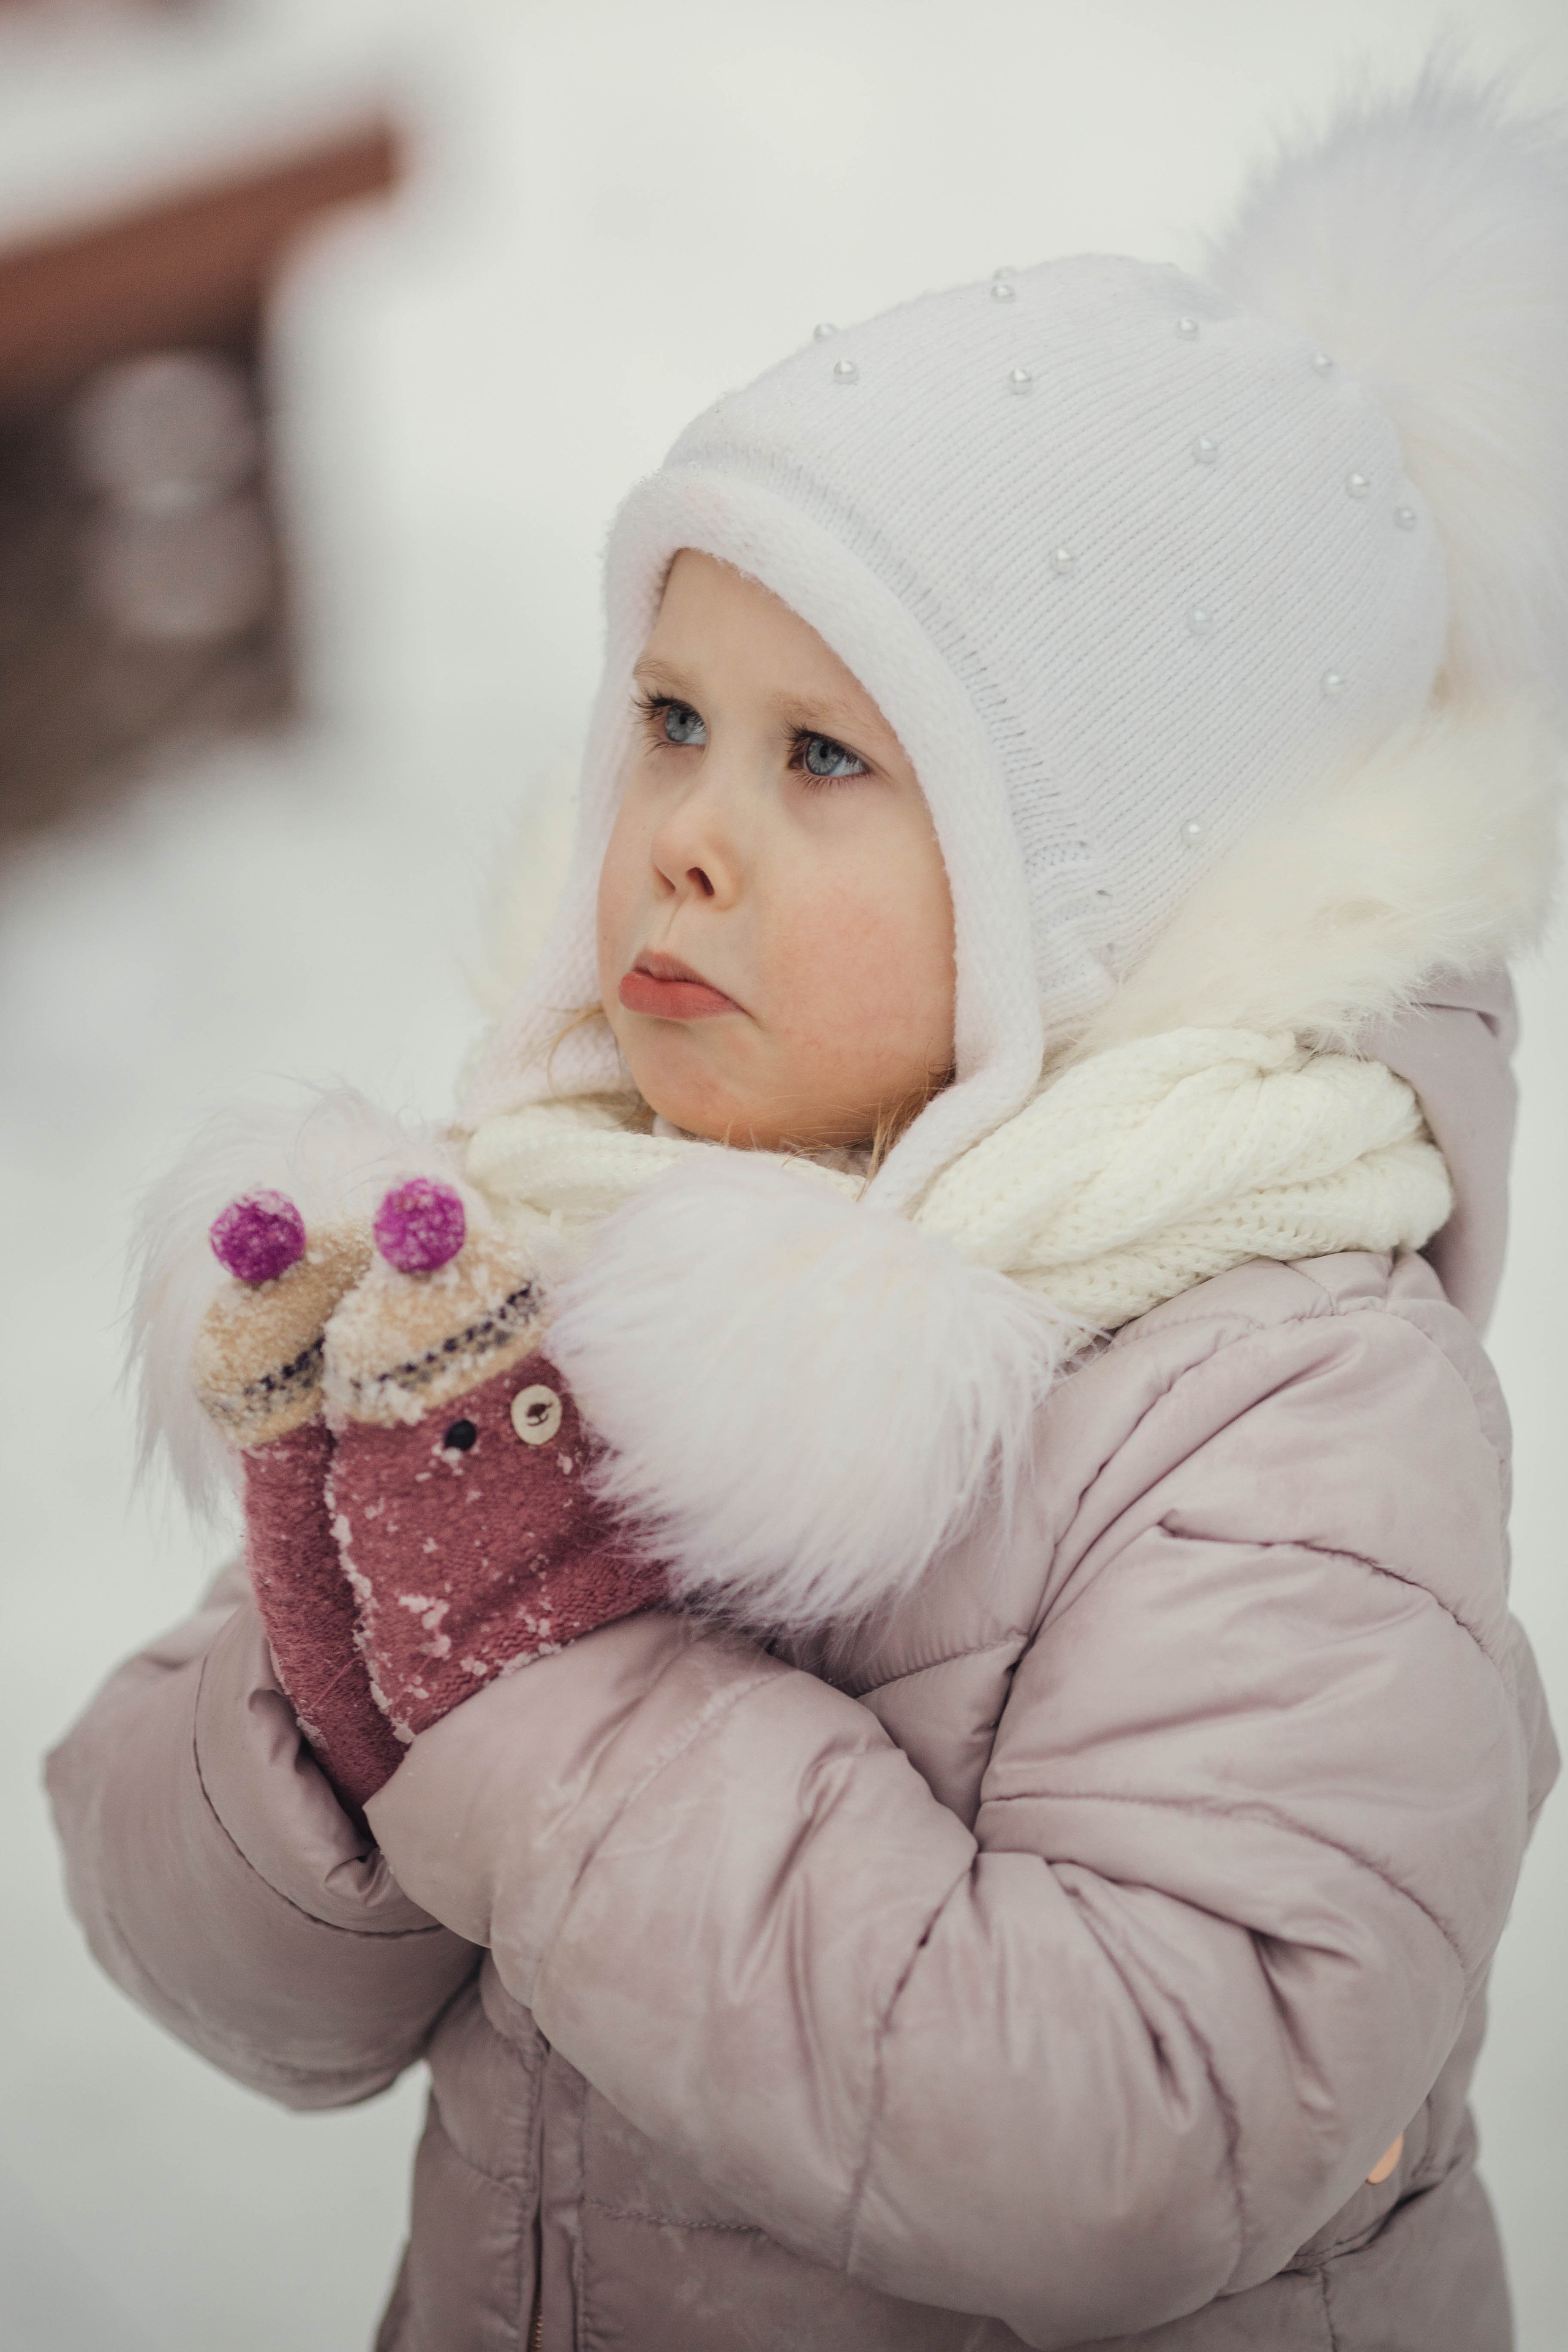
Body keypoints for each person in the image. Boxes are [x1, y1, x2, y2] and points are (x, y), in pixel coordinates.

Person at [47, 68, 1567, 2351]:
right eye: (666, 715)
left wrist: (554, 1686)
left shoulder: (1283, 1402)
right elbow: (238, 1976)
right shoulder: (548, 1218)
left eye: (827, 757)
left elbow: (1159, 2134)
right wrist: (336, 1652)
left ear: (1102, 891)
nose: (682, 831)